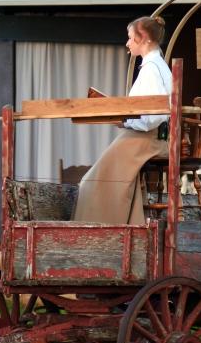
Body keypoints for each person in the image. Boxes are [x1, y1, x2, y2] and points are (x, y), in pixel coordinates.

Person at [73, 16, 172, 225]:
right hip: (145, 135)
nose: (127, 43)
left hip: (147, 138)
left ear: (143, 37)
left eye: (130, 38)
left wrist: (125, 120)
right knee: (114, 179)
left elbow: (153, 117)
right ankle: (126, 227)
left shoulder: (153, 69)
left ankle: (99, 231)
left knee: (92, 181)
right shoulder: (154, 66)